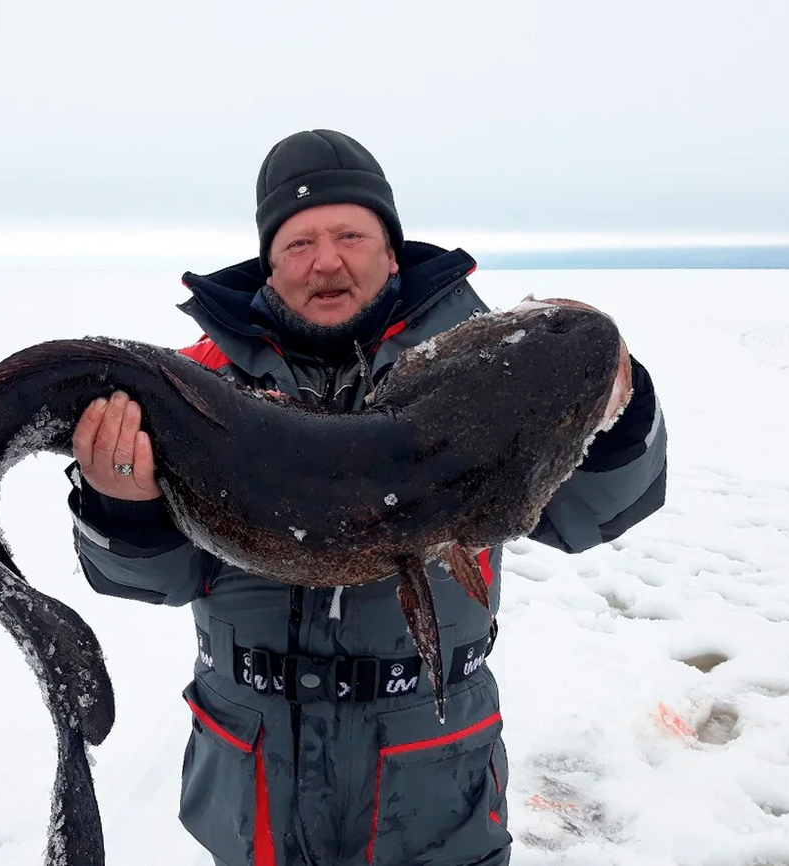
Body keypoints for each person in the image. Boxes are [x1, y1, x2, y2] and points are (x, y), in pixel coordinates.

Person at [66, 130, 667, 866]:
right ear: (269, 262)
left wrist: (615, 412)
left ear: (391, 249)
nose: (326, 260)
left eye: (350, 234)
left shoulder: (488, 371)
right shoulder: (199, 387)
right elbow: (150, 579)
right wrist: (120, 507)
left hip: (433, 777)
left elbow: (591, 513)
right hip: (254, 775)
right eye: (298, 243)